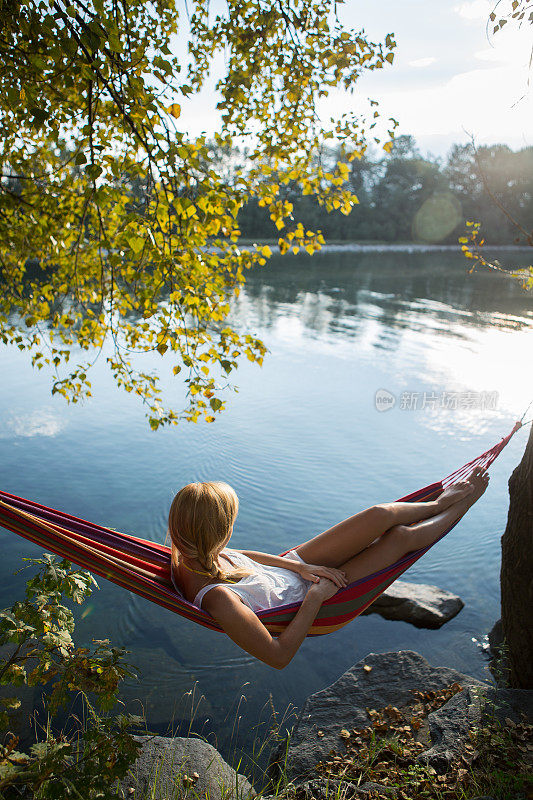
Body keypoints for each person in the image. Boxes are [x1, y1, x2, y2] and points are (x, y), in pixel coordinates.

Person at [168, 468, 489, 669]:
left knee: (379, 514)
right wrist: (315, 595)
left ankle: (436, 504)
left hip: (298, 567)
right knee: (399, 539)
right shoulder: (219, 600)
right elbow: (278, 657)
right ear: (219, 532)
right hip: (310, 596)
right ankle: (463, 504)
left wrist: (302, 567)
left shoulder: (188, 549)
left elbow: (241, 555)